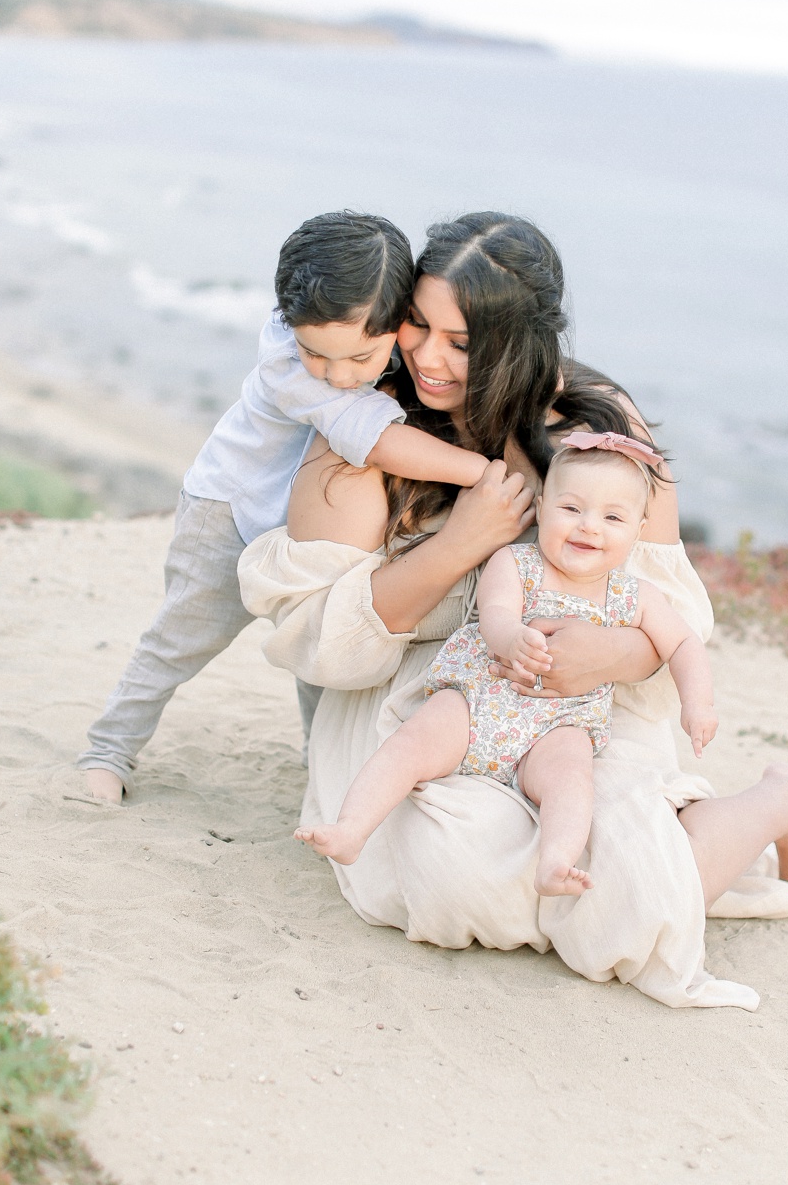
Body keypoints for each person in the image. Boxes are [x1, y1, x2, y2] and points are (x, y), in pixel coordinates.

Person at [239, 211, 788, 1011]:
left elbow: (670, 615)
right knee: (453, 870)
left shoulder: (599, 432)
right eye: (418, 326)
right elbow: (322, 648)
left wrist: (613, 655)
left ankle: (782, 802)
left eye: (461, 342)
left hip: (583, 702)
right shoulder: (366, 436)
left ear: (519, 341)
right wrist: (460, 544)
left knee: (627, 868)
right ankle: (661, 856)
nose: (427, 356)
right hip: (421, 699)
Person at [77, 210, 492, 804]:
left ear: (401, 321)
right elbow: (370, 437)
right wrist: (485, 475)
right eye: (316, 353)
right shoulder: (286, 365)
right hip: (232, 513)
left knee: (319, 647)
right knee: (180, 639)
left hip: (307, 533)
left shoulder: (395, 344)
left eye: (359, 358)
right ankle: (109, 750)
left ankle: (317, 761)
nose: (337, 375)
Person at [294, 431, 718, 896]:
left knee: (571, 780)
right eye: (571, 509)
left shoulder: (635, 595)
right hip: (479, 701)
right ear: (543, 505)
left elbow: (682, 645)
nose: (589, 527)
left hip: (560, 723)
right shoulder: (518, 562)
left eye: (612, 517)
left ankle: (556, 863)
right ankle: (352, 829)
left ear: (639, 530)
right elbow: (495, 614)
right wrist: (512, 637)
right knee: (412, 742)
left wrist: (697, 704)